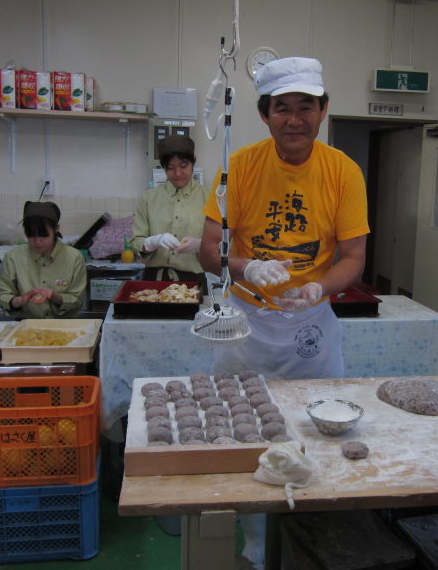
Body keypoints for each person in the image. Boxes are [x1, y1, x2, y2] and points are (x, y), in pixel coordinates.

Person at [198, 56, 370, 379]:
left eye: (305, 108)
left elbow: (353, 257)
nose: (294, 120)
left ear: (323, 109)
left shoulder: (344, 173)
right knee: (238, 417)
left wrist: (317, 289)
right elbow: (208, 252)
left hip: (311, 320)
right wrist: (248, 267)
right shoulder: (238, 168)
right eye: (282, 109)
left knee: (316, 416)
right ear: (265, 115)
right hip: (245, 321)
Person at [129, 134, 209, 288]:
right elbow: (135, 242)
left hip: (194, 281)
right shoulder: (148, 198)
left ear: (194, 160)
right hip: (154, 281)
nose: (178, 173)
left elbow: (224, 244)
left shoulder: (210, 199)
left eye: (184, 166)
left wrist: (202, 245)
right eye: (171, 168)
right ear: (164, 167)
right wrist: (153, 241)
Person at [0, 201, 86, 318]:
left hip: (63, 325)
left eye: (44, 235)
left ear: (56, 229)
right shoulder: (13, 257)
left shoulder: (74, 258)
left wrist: (54, 296)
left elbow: (77, 301)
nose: (37, 241)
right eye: (31, 235)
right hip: (26, 325)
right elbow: (2, 297)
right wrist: (21, 300)